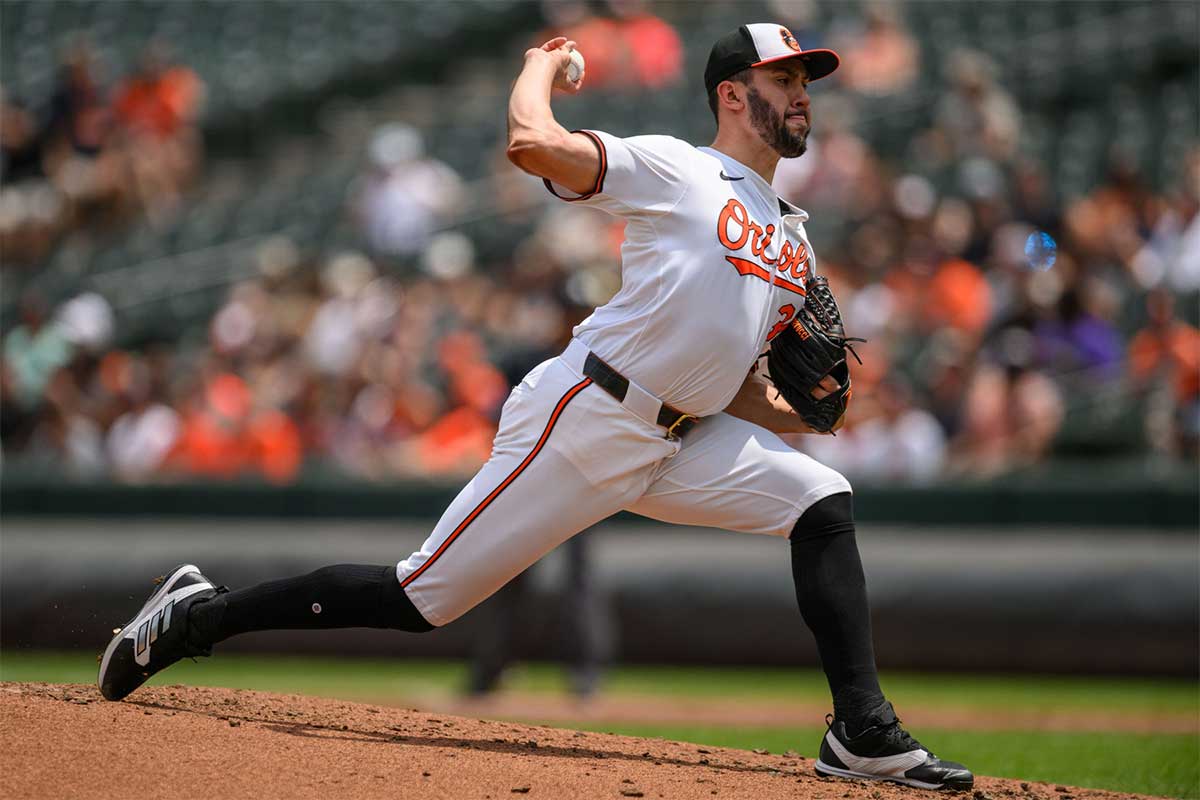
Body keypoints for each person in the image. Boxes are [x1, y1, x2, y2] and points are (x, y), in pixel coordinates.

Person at [97, 25, 973, 790]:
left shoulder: (793, 233)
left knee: (821, 500)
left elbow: (732, 376)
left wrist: (802, 412)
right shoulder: (679, 169)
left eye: (805, 82)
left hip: (680, 440)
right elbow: (530, 143)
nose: (801, 96)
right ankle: (197, 616)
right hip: (587, 417)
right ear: (734, 95)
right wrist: (539, 66)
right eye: (785, 80)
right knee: (421, 597)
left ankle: (858, 732)